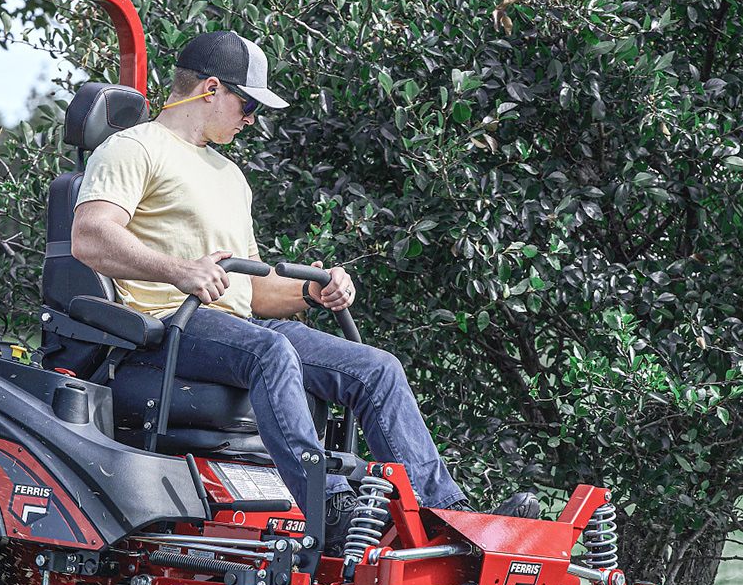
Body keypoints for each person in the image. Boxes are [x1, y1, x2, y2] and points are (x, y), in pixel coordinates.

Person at [71, 30, 533, 544]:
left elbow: (250, 291)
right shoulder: (134, 148)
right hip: (164, 332)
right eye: (247, 106)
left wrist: (313, 293)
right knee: (269, 350)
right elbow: (91, 238)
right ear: (210, 89)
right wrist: (182, 270)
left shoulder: (229, 174)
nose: (251, 120)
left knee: (376, 369)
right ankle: (330, 503)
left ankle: (444, 518)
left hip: (233, 328)